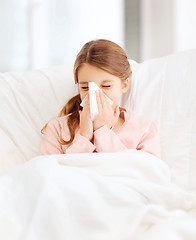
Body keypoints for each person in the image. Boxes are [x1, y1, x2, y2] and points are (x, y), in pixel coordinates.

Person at [41, 39, 161, 158]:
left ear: (124, 85)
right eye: (85, 87)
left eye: (106, 86)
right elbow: (54, 174)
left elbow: (145, 173)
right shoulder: (57, 129)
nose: (95, 94)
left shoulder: (143, 130)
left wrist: (102, 132)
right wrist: (84, 137)